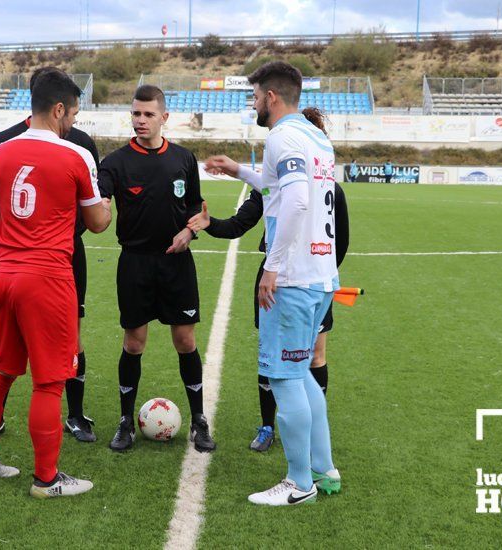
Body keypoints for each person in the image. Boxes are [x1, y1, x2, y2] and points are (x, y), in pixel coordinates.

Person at [0, 71, 112, 498]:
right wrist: (108, 205)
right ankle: (46, 479)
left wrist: (2, 262)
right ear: (59, 108)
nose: (73, 122)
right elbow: (98, 223)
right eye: (74, 113)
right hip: (48, 277)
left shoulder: (0, 153)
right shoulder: (75, 155)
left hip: (5, 273)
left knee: (2, 368)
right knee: (49, 381)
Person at [207, 61, 339, 505]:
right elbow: (277, 186)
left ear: (272, 97)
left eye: (256, 96)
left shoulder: (283, 135)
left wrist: (273, 267)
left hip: (295, 279)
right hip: (321, 277)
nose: (254, 104)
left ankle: (300, 483)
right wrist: (238, 172)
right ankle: (324, 470)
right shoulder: (316, 136)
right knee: (302, 376)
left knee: (284, 378)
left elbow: (298, 200)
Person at [191, 107, 349, 453]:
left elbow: (341, 242)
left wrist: (313, 273)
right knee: (271, 354)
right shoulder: (276, 185)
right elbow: (239, 223)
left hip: (305, 281)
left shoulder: (328, 189)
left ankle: (307, 437)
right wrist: (210, 223)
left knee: (314, 356)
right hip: (280, 279)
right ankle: (268, 426)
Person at [98, 85, 215, 453]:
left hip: (176, 264)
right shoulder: (115, 163)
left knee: (186, 341)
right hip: (134, 264)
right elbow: (98, 203)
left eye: (148, 114)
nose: (141, 121)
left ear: (164, 117)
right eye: (136, 114)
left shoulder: (183, 158)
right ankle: (124, 423)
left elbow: (197, 213)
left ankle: (198, 420)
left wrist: (188, 232)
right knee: (134, 343)